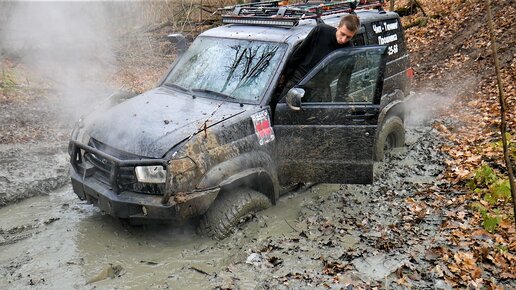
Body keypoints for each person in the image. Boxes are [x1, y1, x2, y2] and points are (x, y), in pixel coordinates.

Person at [280, 14, 360, 97]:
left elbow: (344, 80)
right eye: (342, 34)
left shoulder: (349, 51)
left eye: (348, 37)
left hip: (320, 90)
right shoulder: (321, 31)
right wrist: (285, 76)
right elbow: (299, 54)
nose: (343, 40)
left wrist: (341, 101)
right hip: (298, 81)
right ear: (338, 27)